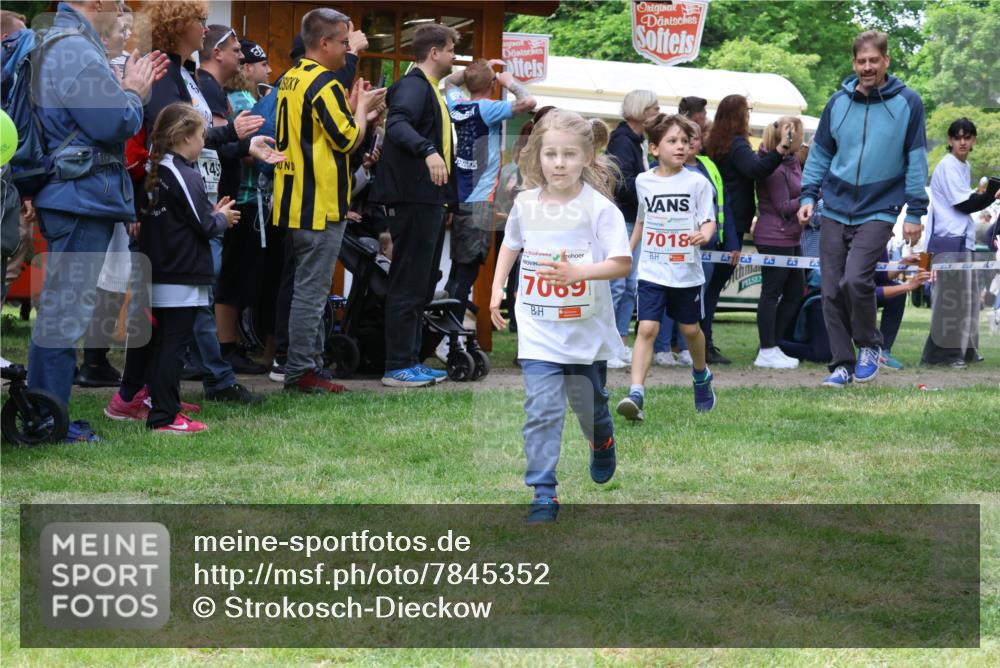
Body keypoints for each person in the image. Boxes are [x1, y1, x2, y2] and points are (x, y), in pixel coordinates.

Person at [27, 0, 168, 443]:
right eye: (121, 3)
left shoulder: (69, 43)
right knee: (64, 313)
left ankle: (47, 413)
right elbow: (116, 121)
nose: (124, 11)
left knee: (65, 310)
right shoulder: (73, 48)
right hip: (79, 197)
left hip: (80, 195)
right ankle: (46, 419)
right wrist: (133, 91)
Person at [489, 109, 631, 524]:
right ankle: (544, 492)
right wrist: (498, 286)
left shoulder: (599, 209)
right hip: (537, 326)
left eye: (569, 154)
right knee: (542, 409)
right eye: (551, 154)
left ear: (587, 157)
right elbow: (511, 245)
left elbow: (621, 262)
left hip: (583, 329)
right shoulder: (526, 203)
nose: (559, 163)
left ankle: (601, 441)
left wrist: (579, 272)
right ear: (538, 157)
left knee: (589, 407)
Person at [143, 1, 277, 403]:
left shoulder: (185, 73)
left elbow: (198, 139)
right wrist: (233, 135)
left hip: (198, 193)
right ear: (178, 24)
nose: (206, 29)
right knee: (192, 294)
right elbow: (167, 137)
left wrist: (241, 140)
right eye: (200, 22)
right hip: (181, 196)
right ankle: (191, 384)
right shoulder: (166, 73)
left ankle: (184, 383)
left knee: (198, 295)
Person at [797, 30, 929, 388]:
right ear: (854, 63)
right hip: (836, 205)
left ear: (886, 60)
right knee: (830, 288)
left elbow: (916, 159)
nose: (867, 67)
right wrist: (808, 195)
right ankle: (842, 364)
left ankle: (870, 345)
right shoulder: (837, 103)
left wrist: (916, 211)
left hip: (881, 206)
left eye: (874, 60)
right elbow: (821, 154)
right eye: (861, 61)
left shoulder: (908, 103)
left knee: (856, 279)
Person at [105, 104, 237, 433]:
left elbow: (184, 218)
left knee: (162, 342)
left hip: (162, 271)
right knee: (172, 347)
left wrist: (211, 215)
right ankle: (164, 415)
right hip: (181, 273)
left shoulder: (157, 171)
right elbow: (205, 225)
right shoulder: (183, 173)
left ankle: (159, 403)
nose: (203, 144)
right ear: (183, 136)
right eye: (201, 137)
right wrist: (223, 217)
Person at [272, 7, 383, 394]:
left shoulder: (291, 77)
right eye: (342, 42)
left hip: (295, 199)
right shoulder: (322, 84)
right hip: (317, 202)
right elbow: (348, 138)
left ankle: (304, 366)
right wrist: (364, 111)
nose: (345, 49)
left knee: (305, 288)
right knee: (311, 292)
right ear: (324, 43)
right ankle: (301, 371)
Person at [370, 23, 459, 388]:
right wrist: (427, 151)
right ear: (435, 52)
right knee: (407, 283)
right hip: (410, 199)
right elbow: (398, 125)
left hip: (429, 199)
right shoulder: (412, 86)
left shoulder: (431, 89)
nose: (456, 56)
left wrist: (447, 197)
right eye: (453, 49)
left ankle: (409, 360)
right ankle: (396, 366)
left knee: (422, 283)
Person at [616, 113, 718, 423]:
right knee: (647, 328)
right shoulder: (643, 181)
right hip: (652, 270)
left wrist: (705, 234)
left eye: (685, 142)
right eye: (672, 141)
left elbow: (708, 219)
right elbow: (642, 223)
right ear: (654, 148)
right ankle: (636, 393)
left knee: (689, 330)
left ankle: (701, 375)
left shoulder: (698, 182)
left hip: (685, 271)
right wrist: (626, 253)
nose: (680, 147)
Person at [436, 58, 535, 362]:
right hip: (480, 201)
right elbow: (529, 101)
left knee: (458, 272)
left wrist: (471, 73)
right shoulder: (487, 108)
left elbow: (448, 83)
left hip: (462, 198)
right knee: (465, 275)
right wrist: (507, 81)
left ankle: (446, 335)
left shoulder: (457, 103)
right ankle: (448, 340)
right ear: (491, 86)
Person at [702, 94, 792, 365]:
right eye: (747, 111)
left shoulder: (713, 143)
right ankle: (703, 344)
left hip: (714, 216)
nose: (750, 115)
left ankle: (701, 342)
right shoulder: (738, 144)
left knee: (709, 286)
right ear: (740, 115)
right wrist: (780, 150)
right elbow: (756, 170)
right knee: (714, 286)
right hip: (734, 219)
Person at [920, 118, 999, 367]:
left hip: (961, 238)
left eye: (967, 137)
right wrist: (990, 196)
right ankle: (945, 355)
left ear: (974, 140)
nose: (962, 142)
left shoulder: (963, 165)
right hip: (947, 239)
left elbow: (967, 201)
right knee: (951, 300)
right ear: (950, 141)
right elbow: (963, 204)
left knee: (967, 300)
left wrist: (985, 195)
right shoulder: (948, 165)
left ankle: (963, 351)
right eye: (957, 137)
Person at [607, 90, 660, 368]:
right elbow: (620, 181)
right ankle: (609, 344)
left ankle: (620, 343)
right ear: (642, 111)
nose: (658, 112)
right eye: (654, 108)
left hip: (634, 219)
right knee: (618, 284)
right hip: (624, 219)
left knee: (629, 285)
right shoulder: (622, 141)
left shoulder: (636, 141)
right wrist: (647, 189)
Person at [753, 117, 806, 369]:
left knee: (796, 291)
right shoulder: (773, 167)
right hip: (775, 236)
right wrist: (811, 198)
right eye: (799, 136)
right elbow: (784, 207)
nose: (802, 141)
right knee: (772, 292)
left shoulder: (792, 161)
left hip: (792, 236)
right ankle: (766, 349)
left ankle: (772, 344)